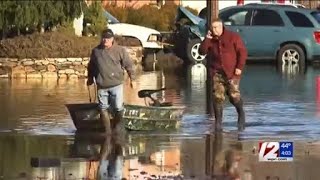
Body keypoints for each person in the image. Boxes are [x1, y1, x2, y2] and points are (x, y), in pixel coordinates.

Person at [199, 18, 248, 131]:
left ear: (221, 27)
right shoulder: (210, 39)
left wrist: (239, 67)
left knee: (233, 96)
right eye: (212, 28)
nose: (213, 30)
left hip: (232, 72)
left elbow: (242, 52)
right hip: (216, 72)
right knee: (217, 98)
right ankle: (218, 123)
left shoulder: (233, 37)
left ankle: (241, 114)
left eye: (216, 27)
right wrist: (207, 38)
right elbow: (202, 51)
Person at [87, 28, 136, 134]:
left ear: (112, 39)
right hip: (101, 85)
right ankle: (108, 132)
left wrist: (133, 79)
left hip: (116, 84)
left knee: (118, 107)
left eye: (108, 38)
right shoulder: (96, 51)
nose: (105, 40)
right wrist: (90, 78)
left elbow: (129, 65)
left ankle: (117, 126)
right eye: (104, 38)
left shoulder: (120, 50)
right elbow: (91, 66)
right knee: (103, 108)